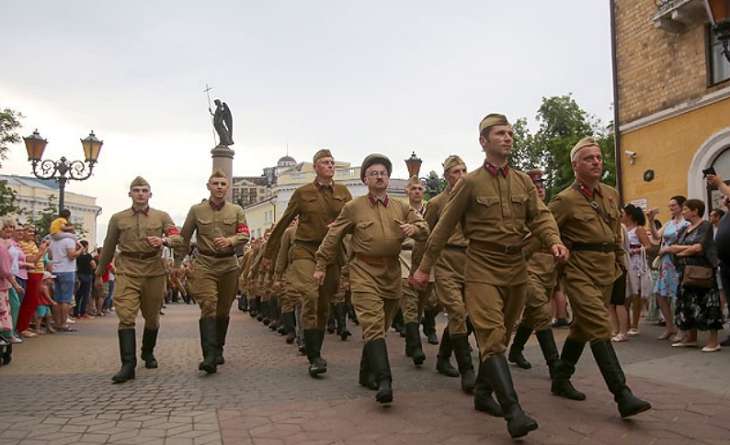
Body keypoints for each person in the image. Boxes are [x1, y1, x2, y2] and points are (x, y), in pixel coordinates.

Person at [413, 114, 567, 439]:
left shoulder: (524, 182)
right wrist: (425, 267)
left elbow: (540, 217)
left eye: (510, 133)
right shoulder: (470, 183)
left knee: (504, 335)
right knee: (492, 336)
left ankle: (483, 395)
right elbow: (441, 228)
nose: (508, 138)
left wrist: (554, 241)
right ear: (484, 141)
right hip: (481, 265)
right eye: (500, 133)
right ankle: (514, 411)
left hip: (516, 268)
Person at [548, 137, 651, 419]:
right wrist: (554, 256)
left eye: (599, 157)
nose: (597, 161)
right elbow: (545, 230)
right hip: (579, 271)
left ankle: (560, 377)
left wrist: (621, 262)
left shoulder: (609, 193)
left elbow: (613, 230)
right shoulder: (565, 200)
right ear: (575, 165)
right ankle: (622, 394)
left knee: (582, 328)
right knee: (599, 325)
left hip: (606, 270)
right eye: (589, 158)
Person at [315, 153, 429, 405]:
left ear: (388, 178)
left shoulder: (401, 206)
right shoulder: (354, 207)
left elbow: (425, 229)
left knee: (383, 325)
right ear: (365, 179)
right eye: (374, 173)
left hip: (391, 273)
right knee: (373, 324)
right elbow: (333, 236)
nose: (379, 177)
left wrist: (415, 229)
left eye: (383, 173)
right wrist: (321, 264)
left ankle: (366, 373)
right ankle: (384, 380)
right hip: (363, 270)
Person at [262, 149, 352, 378]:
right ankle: (314, 358)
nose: (330, 165)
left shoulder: (343, 193)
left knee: (323, 304)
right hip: (305, 250)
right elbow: (283, 222)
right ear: (316, 167)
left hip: (331, 253)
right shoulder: (302, 193)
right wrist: (269, 254)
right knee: (310, 295)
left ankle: (316, 350)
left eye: (332, 162)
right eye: (325, 162)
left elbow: (354, 220)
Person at [97, 177, 183, 383]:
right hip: (127, 269)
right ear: (130, 194)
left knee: (152, 318)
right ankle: (128, 364)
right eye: (136, 190)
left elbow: (178, 238)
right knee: (126, 315)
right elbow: (108, 246)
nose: (140, 194)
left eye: (144, 190)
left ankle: (148, 351)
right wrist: (99, 273)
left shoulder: (161, 217)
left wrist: (164, 240)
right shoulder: (118, 218)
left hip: (154, 271)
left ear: (150, 194)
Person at [181, 170, 250, 374]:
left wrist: (230, 241)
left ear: (227, 188)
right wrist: (178, 261)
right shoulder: (196, 210)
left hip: (228, 265)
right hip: (205, 264)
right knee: (208, 305)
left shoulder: (236, 210)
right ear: (208, 186)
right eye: (215, 183)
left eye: (223, 184)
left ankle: (218, 348)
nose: (219, 187)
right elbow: (184, 238)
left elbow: (244, 233)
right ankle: (209, 356)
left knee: (223, 310)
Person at [417, 155, 473, 393]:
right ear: (446, 176)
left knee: (469, 315)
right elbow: (425, 237)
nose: (460, 176)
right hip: (446, 260)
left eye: (463, 171)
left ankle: (443, 357)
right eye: (455, 172)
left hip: (471, 261)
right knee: (457, 311)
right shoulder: (438, 203)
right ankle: (467, 371)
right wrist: (420, 269)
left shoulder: (473, 199)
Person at [507, 169, 565, 385]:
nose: (540, 189)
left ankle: (515, 350)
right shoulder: (518, 213)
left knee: (532, 315)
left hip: (549, 270)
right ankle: (555, 366)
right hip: (526, 268)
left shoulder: (550, 213)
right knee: (542, 311)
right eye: (535, 186)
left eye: (541, 185)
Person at [667, 199, 724, 351]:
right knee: (687, 303)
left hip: (702, 270)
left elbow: (699, 247)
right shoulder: (685, 229)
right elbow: (673, 246)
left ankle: (713, 342)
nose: (683, 211)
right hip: (685, 272)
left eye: (686, 209)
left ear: (695, 211)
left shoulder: (705, 225)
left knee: (708, 303)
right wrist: (682, 250)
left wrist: (680, 251)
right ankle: (691, 337)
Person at [399, 176, 431, 367]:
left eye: (420, 188)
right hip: (406, 257)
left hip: (427, 259)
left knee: (424, 303)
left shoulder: (431, 208)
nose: (417, 192)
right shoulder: (402, 209)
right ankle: (416, 346)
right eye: (413, 189)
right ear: (407, 191)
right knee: (409, 302)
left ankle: (411, 340)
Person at [647, 196, 688, 341]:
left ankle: (682, 328)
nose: (670, 207)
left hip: (678, 261)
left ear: (682, 206)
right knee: (661, 295)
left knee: (678, 296)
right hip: (666, 263)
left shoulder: (686, 223)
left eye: (673, 205)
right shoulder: (669, 223)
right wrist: (651, 221)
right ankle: (670, 326)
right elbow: (657, 236)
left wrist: (668, 249)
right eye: (669, 205)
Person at [48, 216, 83, 333]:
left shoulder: (53, 240)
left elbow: (50, 256)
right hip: (67, 270)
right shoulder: (68, 240)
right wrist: (80, 251)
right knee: (66, 299)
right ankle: (63, 324)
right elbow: (71, 255)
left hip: (55, 270)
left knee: (57, 299)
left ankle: (57, 322)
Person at [622, 204, 652, 336]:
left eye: (623, 213)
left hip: (636, 263)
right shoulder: (623, 229)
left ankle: (634, 324)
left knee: (636, 294)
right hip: (625, 262)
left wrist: (635, 250)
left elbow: (648, 246)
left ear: (629, 215)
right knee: (626, 294)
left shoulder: (638, 229)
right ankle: (626, 323)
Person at [74, 240, 95, 318]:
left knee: (78, 295)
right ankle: (83, 313)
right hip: (87, 275)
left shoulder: (77, 256)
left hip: (79, 275)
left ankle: (76, 312)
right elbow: (93, 265)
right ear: (85, 246)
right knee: (85, 295)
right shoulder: (88, 256)